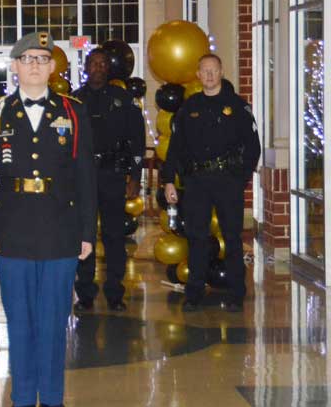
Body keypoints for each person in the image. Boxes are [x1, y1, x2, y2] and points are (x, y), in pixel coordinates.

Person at [0, 32, 97, 407]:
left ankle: (54, 400)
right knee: (21, 318)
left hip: (61, 228)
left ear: (54, 67)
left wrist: (87, 233)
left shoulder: (73, 112)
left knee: (54, 317)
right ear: (14, 66)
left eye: (43, 60)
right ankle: (23, 400)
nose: (35, 66)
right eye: (28, 60)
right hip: (13, 229)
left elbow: (86, 177)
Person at [162, 54, 261, 313]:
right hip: (196, 182)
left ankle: (236, 293)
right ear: (197, 74)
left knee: (232, 237)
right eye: (204, 71)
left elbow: (253, 147)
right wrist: (168, 181)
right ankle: (194, 293)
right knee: (196, 238)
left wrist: (240, 178)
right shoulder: (188, 107)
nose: (209, 76)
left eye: (213, 71)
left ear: (221, 72)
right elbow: (175, 148)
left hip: (227, 181)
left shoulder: (237, 107)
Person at [72, 48, 145, 312]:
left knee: (115, 236)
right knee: (84, 235)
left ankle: (115, 293)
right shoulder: (74, 101)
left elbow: (137, 140)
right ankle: (86, 294)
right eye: (93, 64)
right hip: (83, 177)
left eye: (103, 64)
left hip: (113, 174)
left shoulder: (122, 99)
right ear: (86, 67)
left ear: (108, 68)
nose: (98, 68)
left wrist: (134, 176)